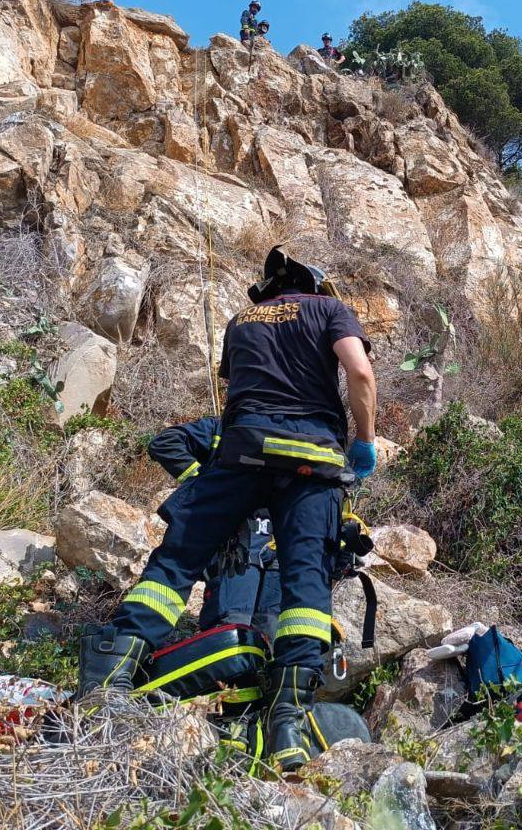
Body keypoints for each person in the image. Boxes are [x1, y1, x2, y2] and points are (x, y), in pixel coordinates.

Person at [78, 246, 377, 773]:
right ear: (315, 284)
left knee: (177, 562)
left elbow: (240, 388)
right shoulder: (329, 309)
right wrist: (365, 442)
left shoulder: (241, 320)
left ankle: (108, 682)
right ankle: (288, 718)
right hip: (312, 460)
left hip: (241, 452)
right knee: (306, 582)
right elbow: (360, 374)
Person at [146, 416, 281, 641]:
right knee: (232, 628)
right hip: (235, 541)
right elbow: (164, 442)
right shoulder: (223, 427)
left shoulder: (292, 436)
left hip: (275, 541)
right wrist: (204, 484)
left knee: (271, 630)